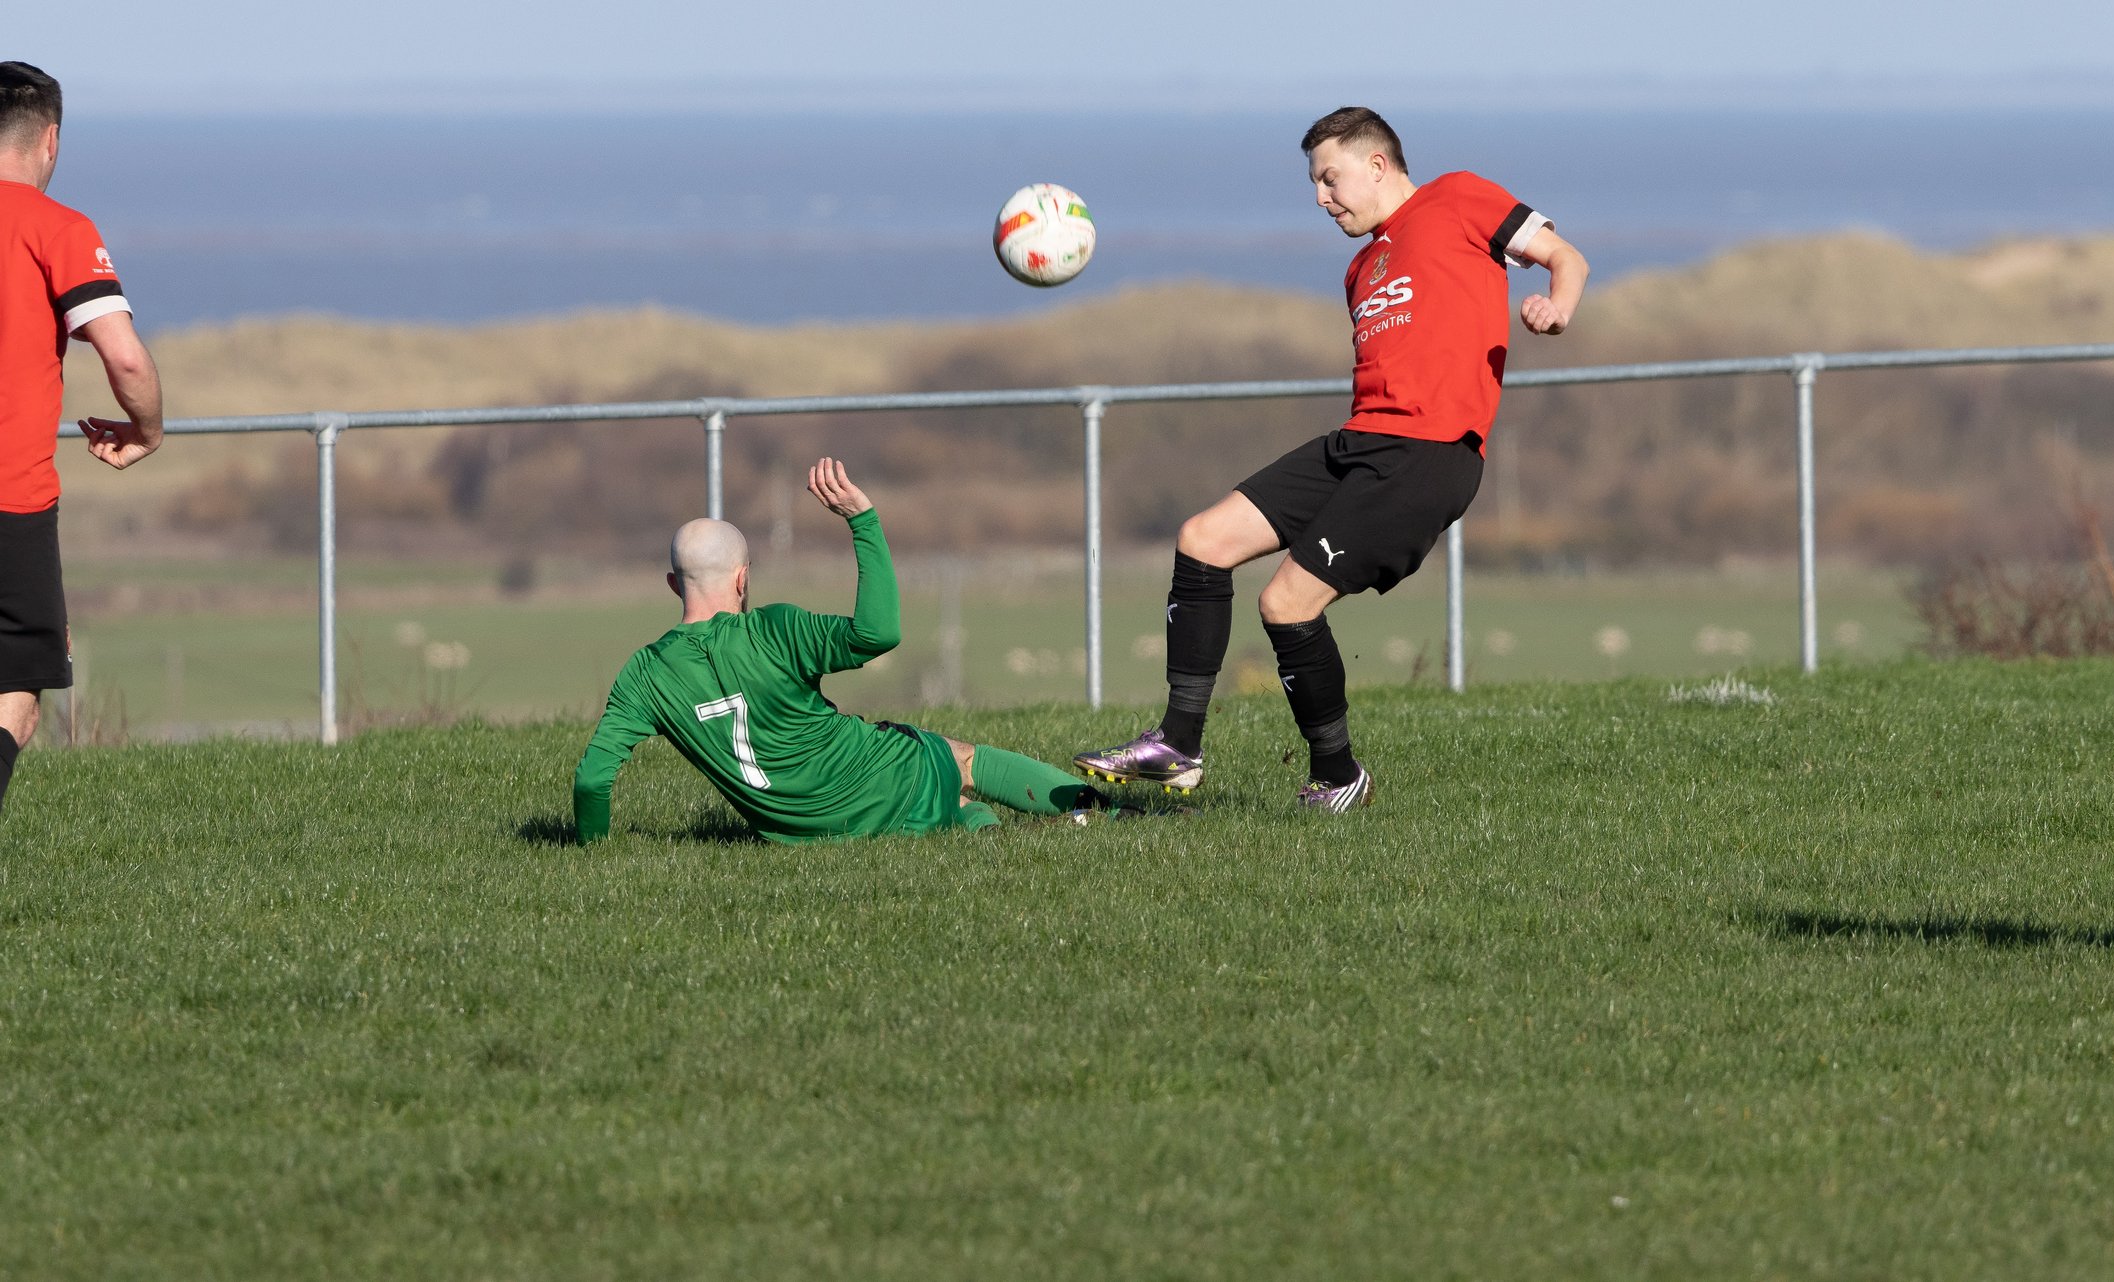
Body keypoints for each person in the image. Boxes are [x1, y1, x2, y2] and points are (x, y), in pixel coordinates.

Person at [1076, 106, 1589, 811]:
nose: (1321, 197)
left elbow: (1567, 256)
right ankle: (1177, 746)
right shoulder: (1361, 268)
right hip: (1360, 441)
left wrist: (1557, 305)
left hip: (1429, 453)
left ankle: (1337, 777)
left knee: (1286, 603)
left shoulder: (1459, 197)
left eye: (1329, 178)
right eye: (1315, 184)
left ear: (1377, 164)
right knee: (1203, 540)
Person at [573, 457, 1124, 843]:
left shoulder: (643, 675)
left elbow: (594, 778)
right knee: (958, 758)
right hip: (880, 774)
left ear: (674, 585)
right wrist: (863, 522)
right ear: (743, 579)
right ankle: (1107, 815)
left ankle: (985, 832)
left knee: (950, 813)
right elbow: (877, 634)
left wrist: (593, 853)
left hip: (801, 832)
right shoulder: (775, 630)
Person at [0, 63, 163, 818]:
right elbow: (124, 356)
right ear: (51, 140)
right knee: (13, 704)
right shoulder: (57, 228)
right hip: (11, 505)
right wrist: (148, 430)